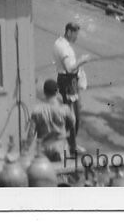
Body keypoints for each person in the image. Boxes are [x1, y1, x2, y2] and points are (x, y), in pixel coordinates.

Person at [53, 21, 90, 154]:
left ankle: (71, 144)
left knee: (76, 115)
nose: (76, 38)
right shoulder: (63, 47)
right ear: (69, 32)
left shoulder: (62, 43)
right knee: (72, 117)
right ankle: (71, 146)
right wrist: (82, 60)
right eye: (75, 35)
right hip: (67, 82)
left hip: (71, 82)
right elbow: (69, 68)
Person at [27, 78, 75, 162]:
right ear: (57, 92)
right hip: (60, 147)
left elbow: (31, 134)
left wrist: (26, 149)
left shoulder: (37, 110)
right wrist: (71, 104)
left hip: (43, 148)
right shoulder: (64, 109)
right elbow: (72, 123)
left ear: (44, 92)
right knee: (63, 173)